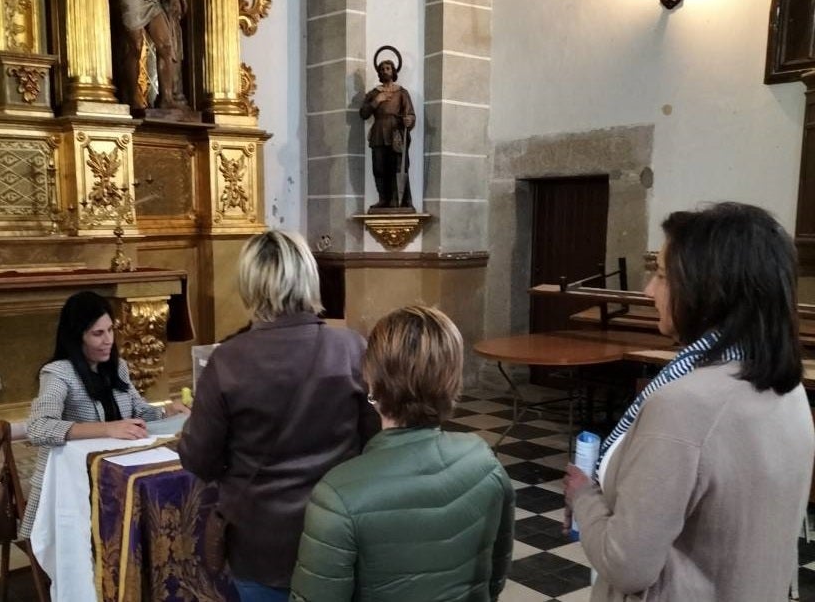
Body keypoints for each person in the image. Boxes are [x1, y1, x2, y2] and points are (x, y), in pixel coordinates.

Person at [564, 202, 815, 602]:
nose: (648, 290)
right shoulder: (787, 387)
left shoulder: (684, 404)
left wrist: (583, 499)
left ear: (709, 288)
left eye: (662, 275)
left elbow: (628, 566)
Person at [178, 230, 381, 602]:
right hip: (337, 531)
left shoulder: (227, 360)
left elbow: (200, 459)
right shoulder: (351, 347)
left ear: (250, 285)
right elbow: (375, 441)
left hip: (261, 542)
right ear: (308, 277)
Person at [290, 305, 515, 602]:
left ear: (372, 380)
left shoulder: (337, 496)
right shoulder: (485, 461)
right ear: (452, 380)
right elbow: (495, 579)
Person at [19, 290, 183, 539]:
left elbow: (138, 411)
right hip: (71, 485)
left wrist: (165, 411)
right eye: (98, 333)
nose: (108, 340)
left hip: (113, 473)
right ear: (77, 337)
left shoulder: (117, 367)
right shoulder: (58, 373)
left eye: (110, 330)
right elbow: (39, 428)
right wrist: (108, 428)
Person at [359, 56, 415, 210]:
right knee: (379, 167)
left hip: (396, 133)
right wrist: (377, 100)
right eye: (382, 69)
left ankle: (398, 199)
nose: (385, 71)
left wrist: (409, 120)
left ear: (393, 71)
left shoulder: (402, 92)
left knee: (397, 167)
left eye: (388, 68)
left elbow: (410, 113)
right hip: (378, 132)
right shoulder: (374, 93)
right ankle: (383, 198)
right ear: (379, 72)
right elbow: (363, 113)